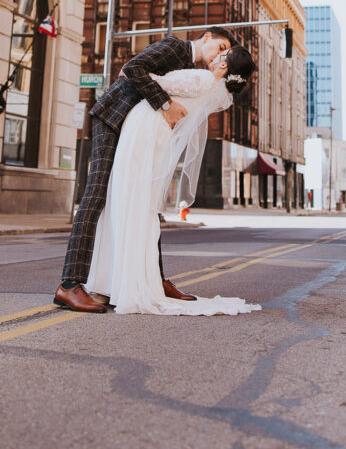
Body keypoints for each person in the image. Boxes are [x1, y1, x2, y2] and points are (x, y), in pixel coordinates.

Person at [54, 27, 237, 312]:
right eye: (220, 46)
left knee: (146, 203)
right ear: (207, 37)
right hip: (112, 117)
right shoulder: (176, 47)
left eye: (226, 53)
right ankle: (69, 284)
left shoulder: (189, 66)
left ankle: (154, 277)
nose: (220, 53)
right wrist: (165, 104)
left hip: (135, 130)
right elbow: (133, 68)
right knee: (95, 197)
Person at [85, 45, 260, 316]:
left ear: (225, 66)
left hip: (145, 126)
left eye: (222, 55)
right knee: (134, 201)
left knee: (126, 196)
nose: (216, 57)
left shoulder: (202, 79)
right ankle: (124, 280)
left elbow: (152, 80)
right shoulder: (217, 92)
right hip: (154, 130)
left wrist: (129, 71)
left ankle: (122, 281)